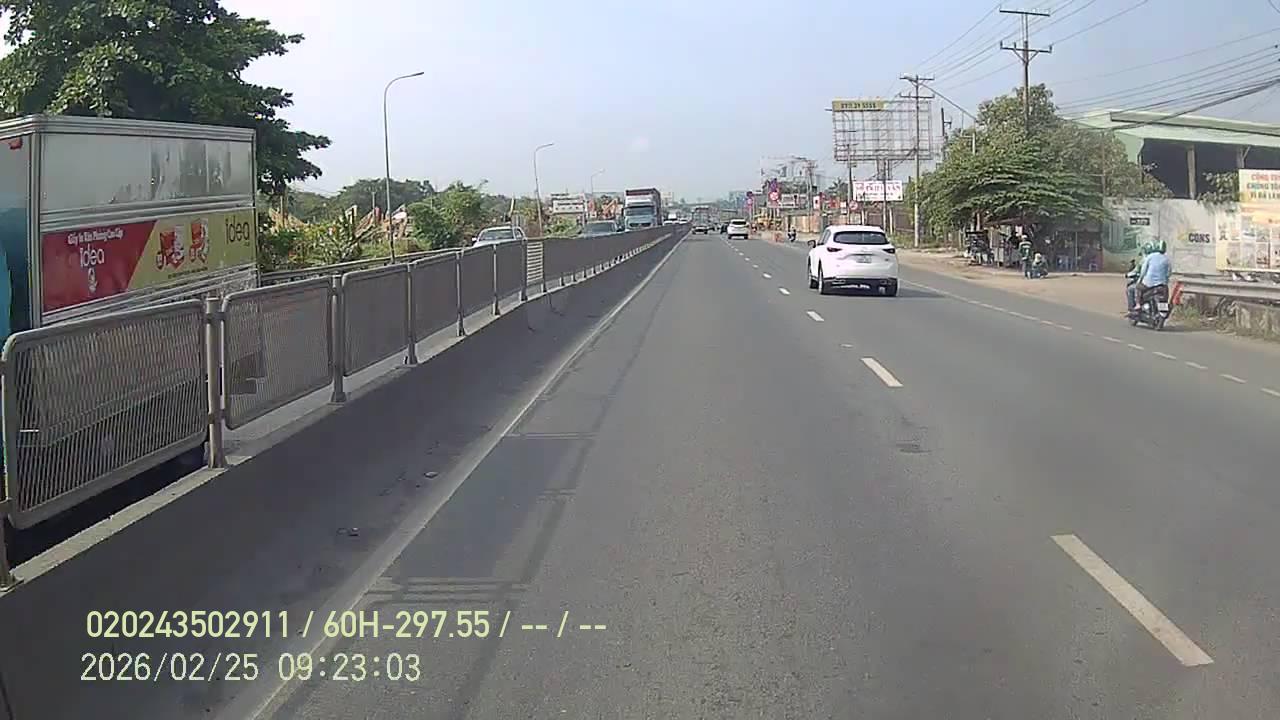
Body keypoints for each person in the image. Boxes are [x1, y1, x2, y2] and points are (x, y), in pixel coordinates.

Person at [1134, 240, 1171, 312]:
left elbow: (1143, 271)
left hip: (1149, 283)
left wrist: (1140, 280)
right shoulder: (1166, 259)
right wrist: (1165, 280)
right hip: (1162, 284)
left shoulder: (1150, 257)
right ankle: (1163, 309)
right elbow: (1169, 272)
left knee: (1138, 287)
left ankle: (1138, 304)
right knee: (1165, 295)